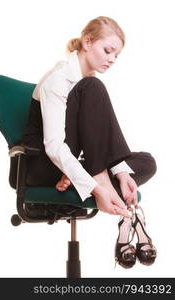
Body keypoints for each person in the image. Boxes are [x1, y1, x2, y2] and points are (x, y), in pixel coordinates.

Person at [22, 16, 157, 268]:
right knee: (92, 86)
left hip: (70, 161)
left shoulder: (87, 84)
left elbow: (97, 137)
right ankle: (98, 182)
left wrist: (121, 170)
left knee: (146, 163)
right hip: (42, 163)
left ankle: (84, 177)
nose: (112, 60)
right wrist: (98, 189)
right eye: (108, 51)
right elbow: (53, 146)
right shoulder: (59, 79)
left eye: (116, 56)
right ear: (87, 42)